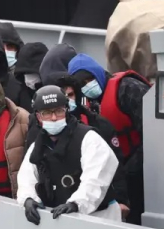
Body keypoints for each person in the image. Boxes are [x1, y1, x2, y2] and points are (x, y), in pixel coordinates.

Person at [31, 71, 130, 219]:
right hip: (60, 216)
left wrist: (76, 203)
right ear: (38, 116)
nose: (53, 118)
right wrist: (28, 198)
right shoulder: (39, 142)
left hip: (99, 216)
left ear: (66, 110)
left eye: (58, 111)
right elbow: (28, 175)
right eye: (47, 113)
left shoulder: (88, 137)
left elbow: (97, 176)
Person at [68, 53, 151, 225]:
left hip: (148, 165)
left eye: (89, 79)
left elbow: (154, 132)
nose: (87, 86)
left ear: (98, 73)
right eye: (81, 84)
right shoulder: (90, 106)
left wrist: (133, 167)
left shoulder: (128, 88)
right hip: (123, 172)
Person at [14, 42, 49, 112]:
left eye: (33, 73)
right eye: (25, 73)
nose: (28, 77)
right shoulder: (16, 93)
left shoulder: (53, 91)